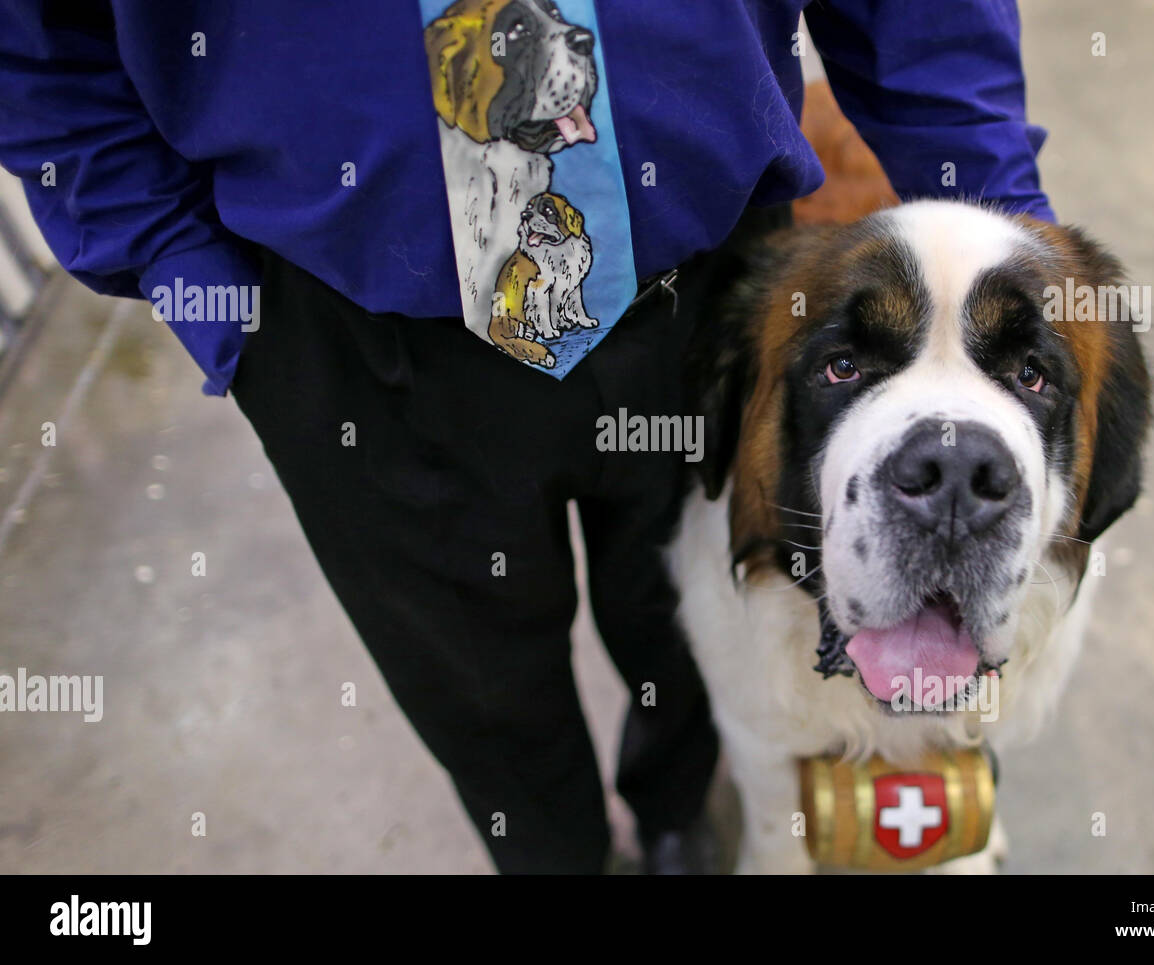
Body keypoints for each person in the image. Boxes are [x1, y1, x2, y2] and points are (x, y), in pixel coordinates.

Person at [0, 0, 1053, 874]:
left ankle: (681, 816)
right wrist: (202, 287)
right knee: (475, 684)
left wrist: (1012, 285)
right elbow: (36, 35)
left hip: (708, 290)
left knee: (702, 618)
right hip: (350, 334)